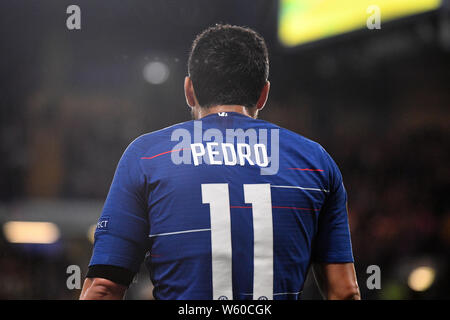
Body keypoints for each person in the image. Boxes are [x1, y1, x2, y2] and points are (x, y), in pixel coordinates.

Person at [80, 24, 360, 300]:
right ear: (263, 94)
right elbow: (345, 292)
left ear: (189, 90)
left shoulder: (147, 156)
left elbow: (103, 288)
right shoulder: (315, 161)